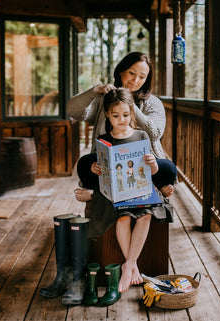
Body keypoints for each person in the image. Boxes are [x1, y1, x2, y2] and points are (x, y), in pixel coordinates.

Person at [67, 51, 177, 202]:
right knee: (85, 163)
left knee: (168, 168)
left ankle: (96, 195)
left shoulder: (153, 103)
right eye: (131, 73)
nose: (135, 80)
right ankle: (153, 191)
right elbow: (73, 111)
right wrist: (94, 92)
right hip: (110, 165)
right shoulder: (104, 99)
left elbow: (155, 132)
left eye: (142, 77)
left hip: (139, 165)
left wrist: (128, 102)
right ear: (120, 71)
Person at [87, 87, 164, 293]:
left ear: (132, 112)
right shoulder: (104, 140)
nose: (121, 119)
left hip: (139, 190)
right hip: (115, 194)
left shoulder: (140, 135)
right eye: (115, 115)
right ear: (107, 115)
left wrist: (152, 163)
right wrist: (96, 169)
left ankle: (128, 265)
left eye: (125, 114)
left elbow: (153, 171)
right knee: (123, 218)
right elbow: (99, 169)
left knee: (145, 215)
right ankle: (133, 265)